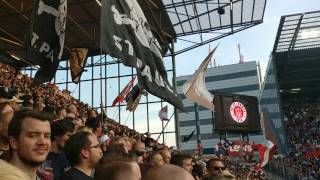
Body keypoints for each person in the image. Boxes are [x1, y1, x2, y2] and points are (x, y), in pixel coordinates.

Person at [8, 111, 52, 180]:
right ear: (14, 142)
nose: (43, 142)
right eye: (32, 136)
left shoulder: (46, 178)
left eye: (46, 136)